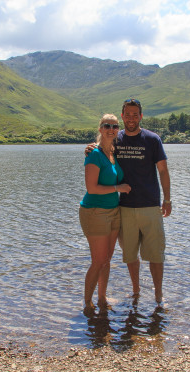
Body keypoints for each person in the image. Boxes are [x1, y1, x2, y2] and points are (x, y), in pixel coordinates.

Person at [86, 99, 171, 304]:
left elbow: (163, 170)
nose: (131, 118)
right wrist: (90, 148)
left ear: (141, 116)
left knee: (155, 255)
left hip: (151, 206)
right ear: (122, 116)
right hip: (124, 207)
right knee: (130, 255)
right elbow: (101, 150)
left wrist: (167, 199)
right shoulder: (117, 138)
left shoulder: (152, 139)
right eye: (127, 114)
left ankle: (158, 294)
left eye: (135, 114)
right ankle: (136, 291)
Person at [79, 114, 131, 313]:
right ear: (100, 129)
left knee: (107, 260)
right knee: (98, 261)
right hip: (94, 212)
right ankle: (87, 302)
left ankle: (102, 298)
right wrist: (118, 187)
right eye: (107, 125)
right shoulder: (94, 154)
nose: (111, 129)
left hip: (113, 211)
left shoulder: (113, 152)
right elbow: (91, 188)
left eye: (115, 126)